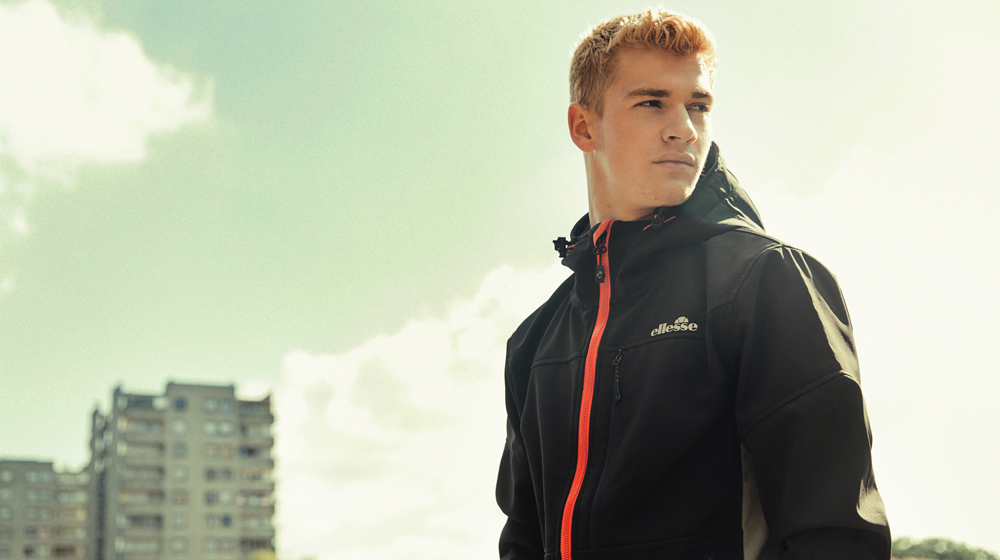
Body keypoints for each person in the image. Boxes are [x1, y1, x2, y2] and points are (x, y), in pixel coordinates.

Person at [495, 8, 890, 560]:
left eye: (698, 106)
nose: (683, 127)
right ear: (584, 127)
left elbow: (835, 532)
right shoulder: (535, 341)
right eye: (651, 102)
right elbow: (523, 539)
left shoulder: (765, 280)